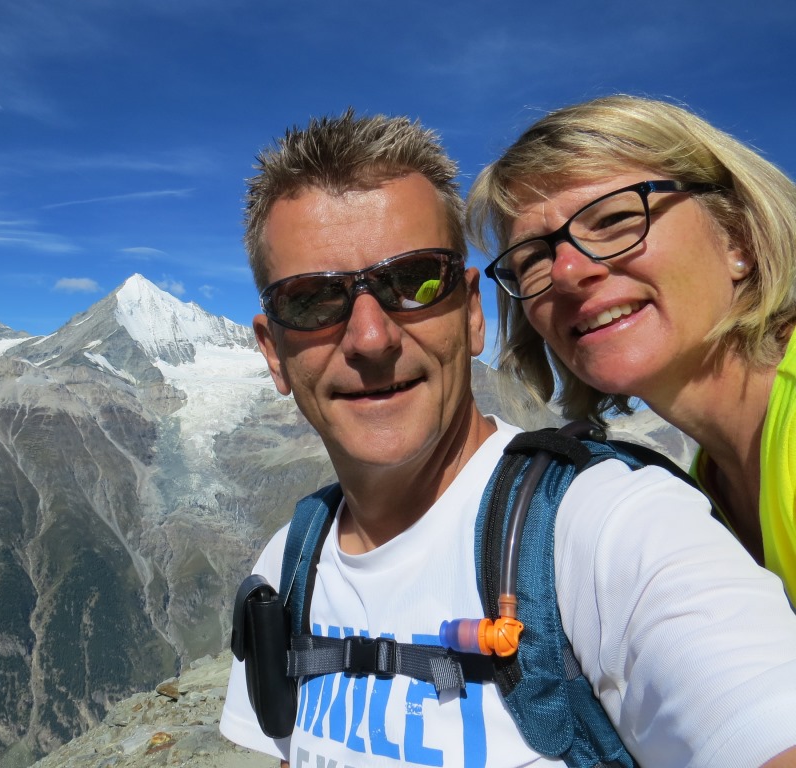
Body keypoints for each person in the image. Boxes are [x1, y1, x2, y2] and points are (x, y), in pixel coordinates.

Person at [219, 109, 796, 767]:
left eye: (414, 281)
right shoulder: (288, 562)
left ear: (472, 314)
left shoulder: (608, 522)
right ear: (272, 351)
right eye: (312, 300)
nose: (371, 337)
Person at [465, 94, 796, 603]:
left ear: (739, 238)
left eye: (614, 219)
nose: (568, 273)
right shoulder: (707, 482)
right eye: (532, 257)